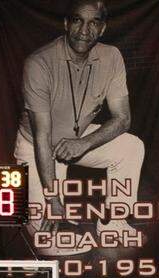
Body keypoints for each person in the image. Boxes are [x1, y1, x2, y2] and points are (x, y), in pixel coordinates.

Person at [12, 0, 144, 256]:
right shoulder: (39, 63)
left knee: (131, 146)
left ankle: (113, 223)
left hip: (77, 136)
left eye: (94, 22)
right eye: (78, 20)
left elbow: (123, 119)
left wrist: (83, 143)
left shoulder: (112, 56)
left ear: (103, 28)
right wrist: (53, 201)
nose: (85, 30)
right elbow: (43, 136)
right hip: (38, 145)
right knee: (49, 244)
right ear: (65, 24)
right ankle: (44, 210)